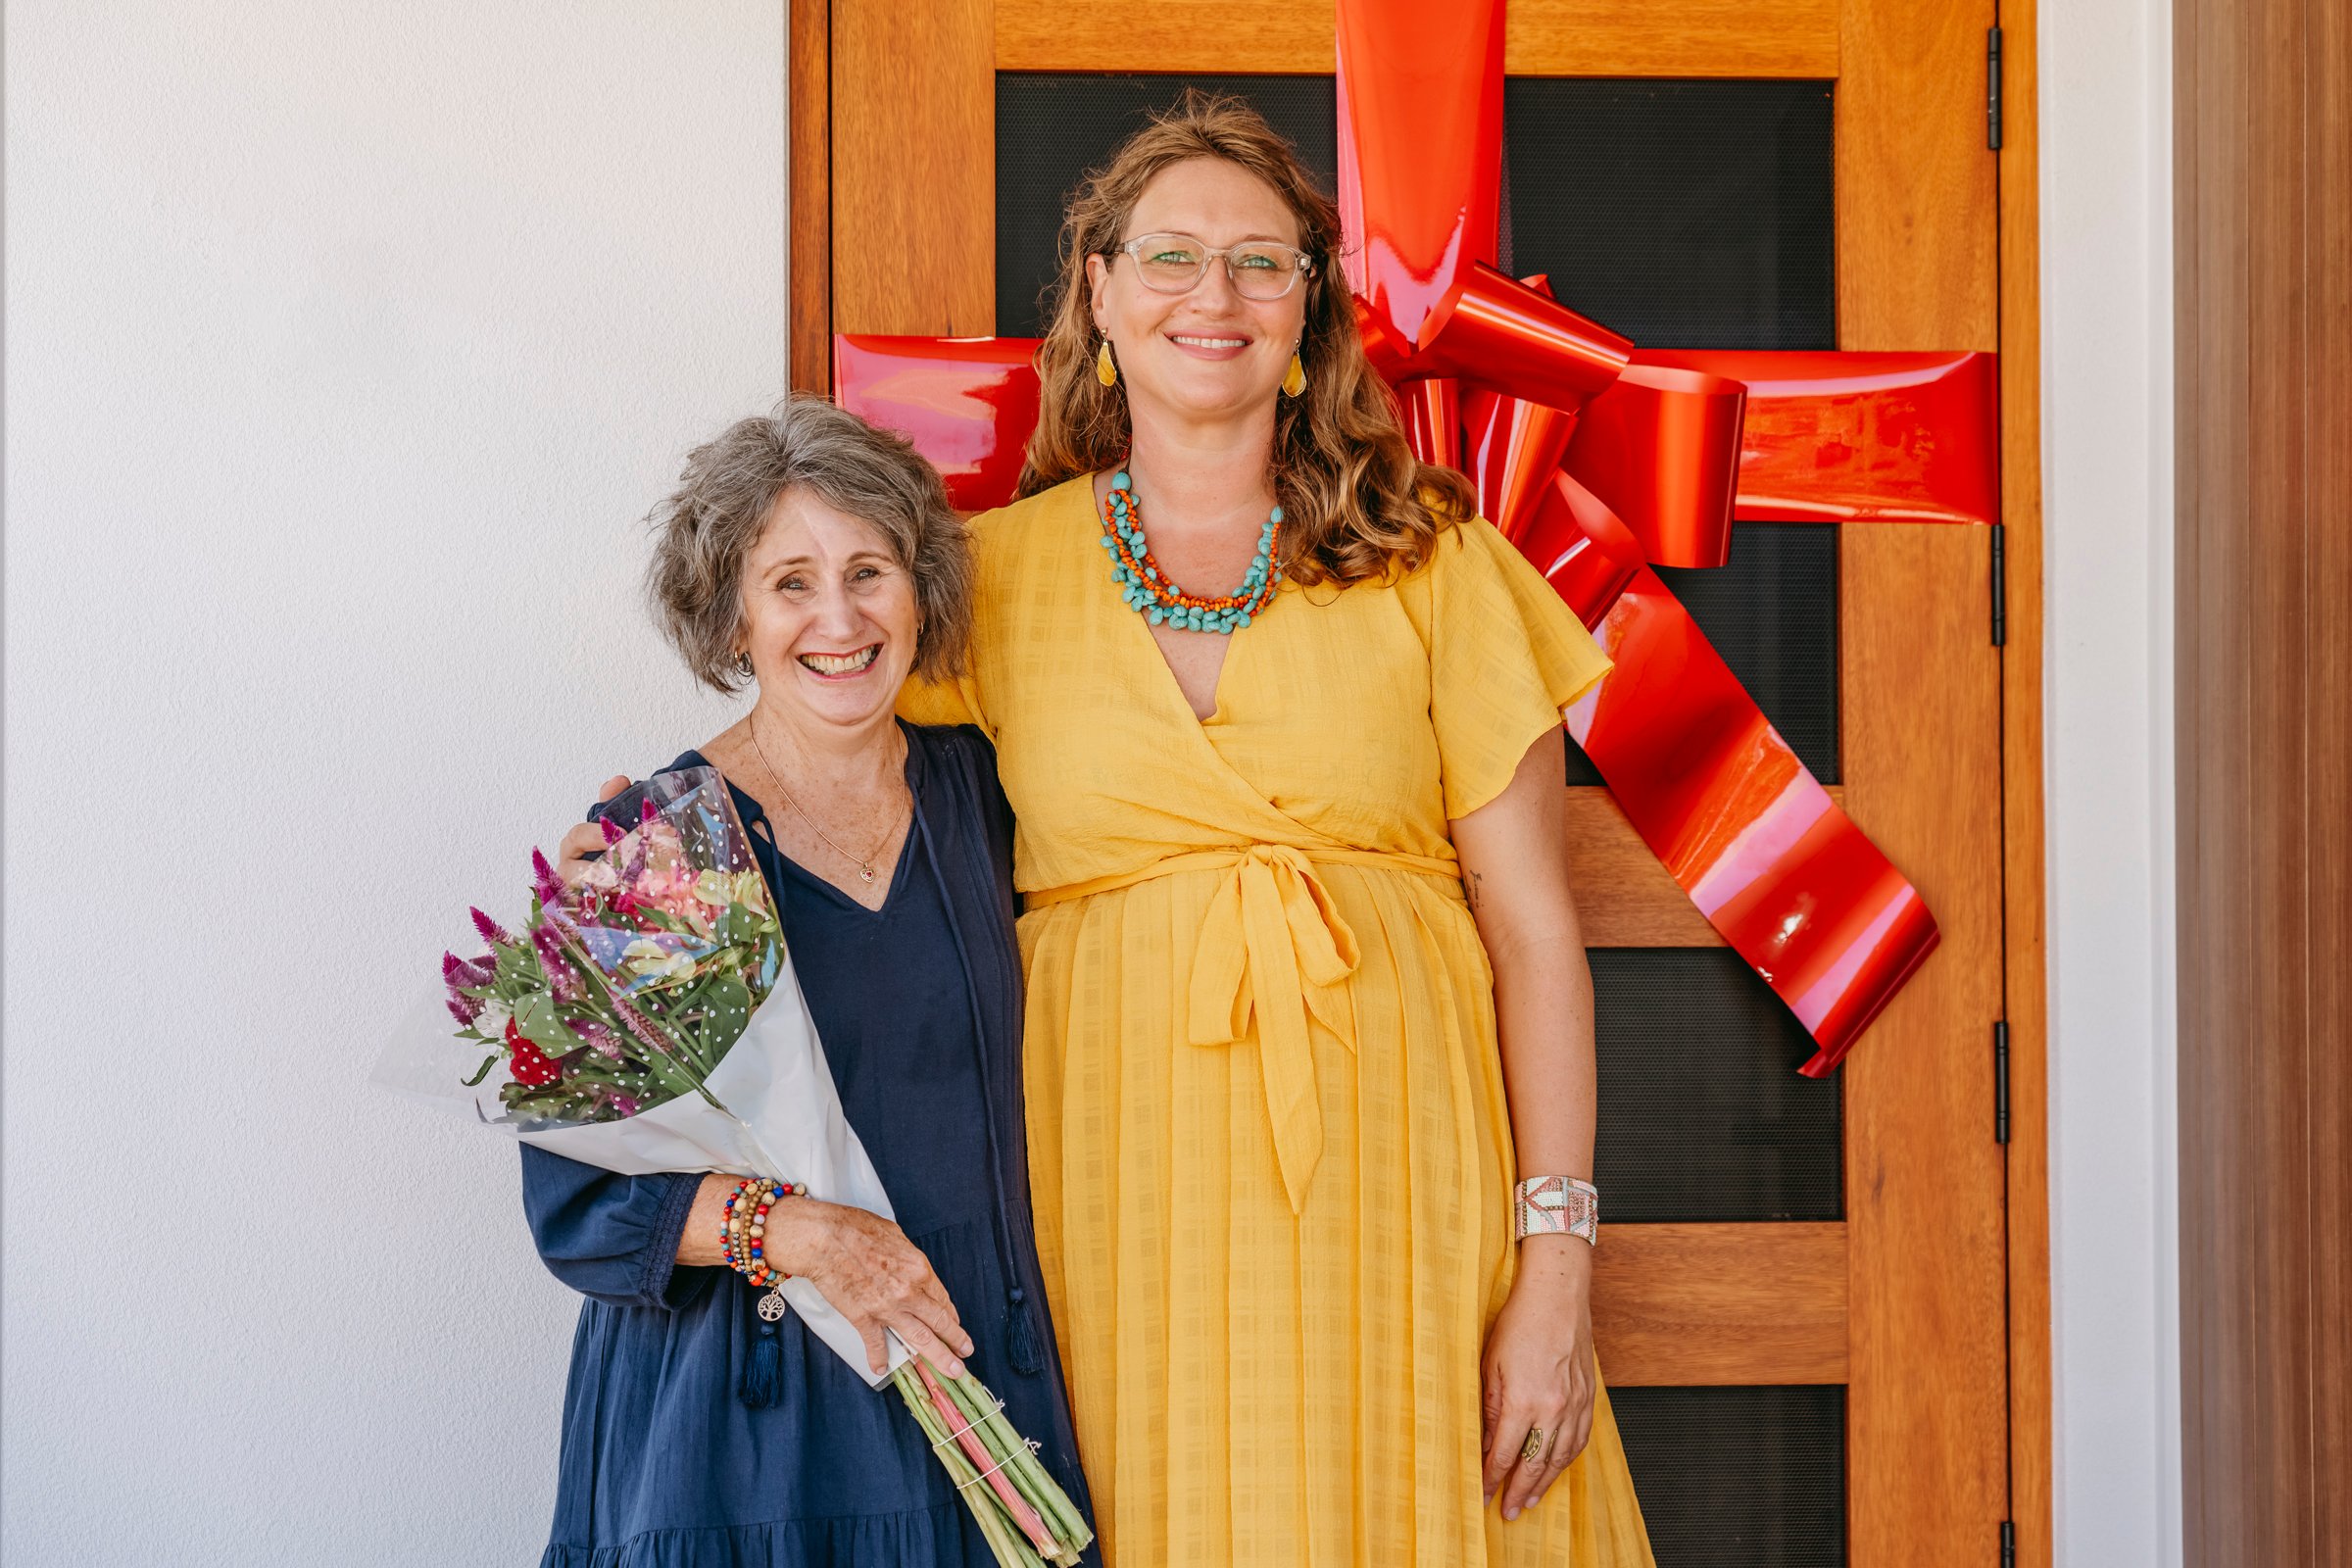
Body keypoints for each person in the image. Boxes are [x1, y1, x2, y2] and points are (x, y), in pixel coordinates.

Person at [895, 95, 1652, 1565]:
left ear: (1312, 302)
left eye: (1260, 261)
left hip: (1403, 1176)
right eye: (1169, 257)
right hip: (1105, 1183)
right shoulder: (978, 584)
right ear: (1099, 293)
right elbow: (825, 805)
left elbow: (1536, 930)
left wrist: (1556, 1261)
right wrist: (654, 871)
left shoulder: (1437, 562)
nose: (1215, 296)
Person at [529, 396, 1089, 1567]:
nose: (837, 617)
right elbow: (576, 1205)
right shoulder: (655, 842)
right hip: (745, 1433)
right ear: (732, 617)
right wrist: (800, 1231)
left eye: (869, 571)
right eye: (790, 582)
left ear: (920, 590)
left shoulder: (998, 793)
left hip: (977, 1380)